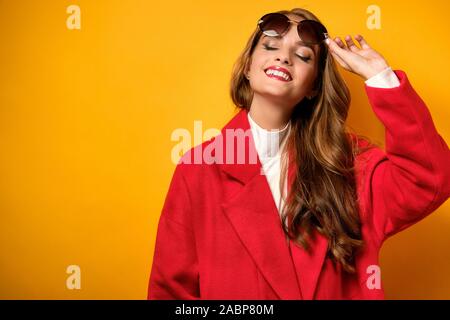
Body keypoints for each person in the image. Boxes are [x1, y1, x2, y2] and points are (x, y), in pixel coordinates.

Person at [147, 8, 450, 299]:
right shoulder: (199, 169)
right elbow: (171, 292)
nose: (284, 56)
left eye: (303, 55)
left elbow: (429, 179)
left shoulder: (349, 165)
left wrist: (380, 77)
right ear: (247, 68)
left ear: (313, 87)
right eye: (270, 45)